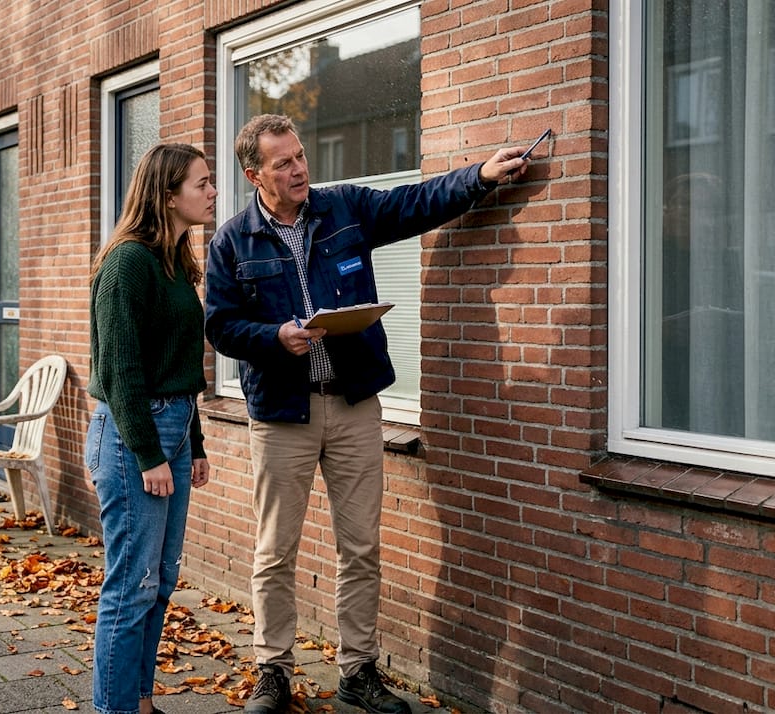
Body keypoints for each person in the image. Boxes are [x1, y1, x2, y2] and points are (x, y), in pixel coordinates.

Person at [204, 114, 531, 714]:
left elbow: (415, 203)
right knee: (276, 549)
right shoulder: (231, 240)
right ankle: (272, 670)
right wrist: (274, 337)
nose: (300, 168)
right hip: (282, 416)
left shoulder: (345, 210)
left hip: (353, 406)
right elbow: (220, 326)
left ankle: (358, 670)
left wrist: (479, 178)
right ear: (255, 174)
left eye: (301, 155)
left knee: (361, 546)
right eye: (283, 162)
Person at [86, 142, 216, 714]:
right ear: (168, 195)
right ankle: (114, 708)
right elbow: (121, 371)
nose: (212, 192)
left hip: (173, 432)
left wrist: (195, 444)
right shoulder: (128, 262)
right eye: (202, 183)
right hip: (132, 438)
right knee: (130, 586)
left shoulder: (174, 259)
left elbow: (179, 364)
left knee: (158, 583)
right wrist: (149, 455)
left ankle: (139, 701)